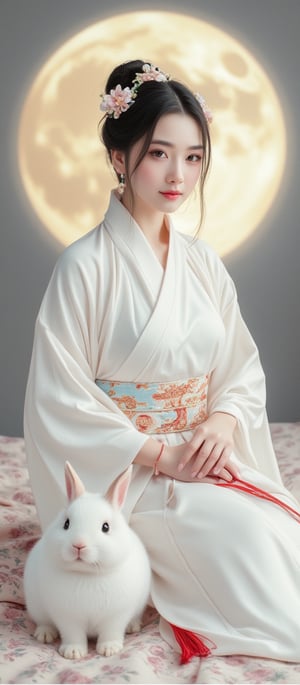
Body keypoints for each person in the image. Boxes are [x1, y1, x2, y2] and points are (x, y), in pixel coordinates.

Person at [24, 59, 300, 663]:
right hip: (131, 472)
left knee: (284, 531)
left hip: (200, 449)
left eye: (195, 156)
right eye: (159, 153)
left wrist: (223, 423)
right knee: (244, 539)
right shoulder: (83, 267)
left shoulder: (202, 263)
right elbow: (59, 398)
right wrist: (160, 455)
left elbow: (240, 366)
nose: (179, 174)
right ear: (120, 156)